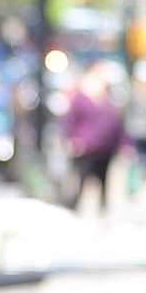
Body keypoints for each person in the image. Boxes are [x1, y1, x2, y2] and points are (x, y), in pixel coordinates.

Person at [61, 61, 126, 214]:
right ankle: (71, 210)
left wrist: (124, 144)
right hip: (85, 147)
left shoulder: (109, 100)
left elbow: (116, 125)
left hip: (105, 148)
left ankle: (102, 212)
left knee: (104, 183)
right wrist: (72, 140)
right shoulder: (82, 98)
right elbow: (69, 121)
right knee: (80, 181)